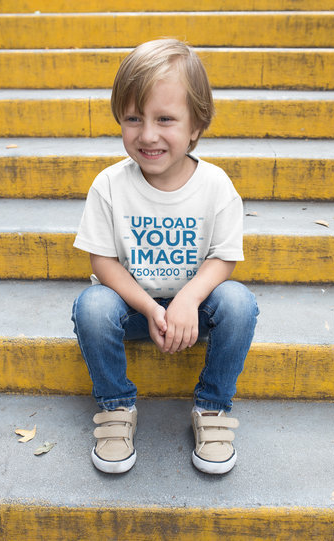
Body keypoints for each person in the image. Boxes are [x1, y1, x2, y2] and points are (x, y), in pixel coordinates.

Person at [71, 38, 259, 475]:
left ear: (196, 125)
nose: (148, 134)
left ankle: (212, 410)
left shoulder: (215, 186)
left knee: (239, 301)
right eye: (133, 118)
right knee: (91, 305)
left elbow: (223, 258)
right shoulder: (110, 185)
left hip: (194, 312)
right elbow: (102, 263)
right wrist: (152, 308)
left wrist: (189, 300)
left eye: (165, 119)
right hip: (135, 311)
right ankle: (116, 408)